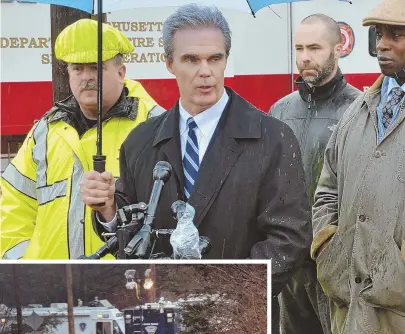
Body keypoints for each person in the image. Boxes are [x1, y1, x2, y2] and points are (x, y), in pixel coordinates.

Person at [81, 3, 311, 296]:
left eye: (215, 58)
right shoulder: (139, 143)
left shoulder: (273, 138)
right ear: (169, 63)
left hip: (243, 316)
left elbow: (290, 239)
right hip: (163, 309)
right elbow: (128, 236)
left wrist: (226, 293)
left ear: (226, 60)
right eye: (191, 59)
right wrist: (107, 209)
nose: (206, 72)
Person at [0, 19, 164, 259]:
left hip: (126, 285)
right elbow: (14, 206)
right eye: (77, 68)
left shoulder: (155, 126)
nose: (86, 77)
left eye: (96, 67)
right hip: (53, 287)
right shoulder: (45, 131)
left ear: (121, 72)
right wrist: (25, 267)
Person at [311, 0, 405, 333]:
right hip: (349, 305)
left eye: (396, 35)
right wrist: (327, 248)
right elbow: (327, 189)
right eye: (380, 34)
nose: (381, 44)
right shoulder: (357, 111)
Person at [270, 14, 361, 334]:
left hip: (337, 264)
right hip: (291, 263)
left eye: (315, 48)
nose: (305, 57)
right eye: (299, 48)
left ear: (338, 49)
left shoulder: (360, 110)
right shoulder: (280, 111)